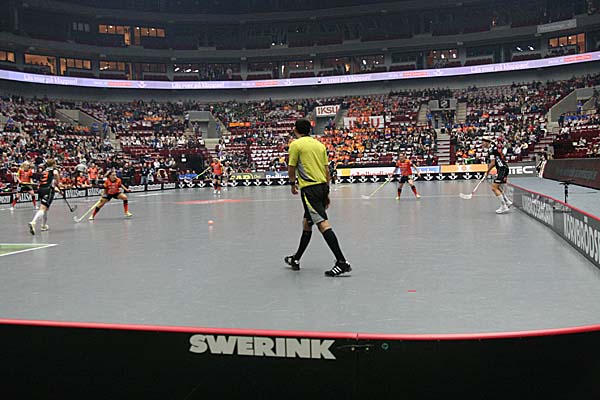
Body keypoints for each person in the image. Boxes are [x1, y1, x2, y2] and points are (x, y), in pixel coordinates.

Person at [285, 119, 351, 277]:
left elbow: (291, 167)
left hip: (310, 189)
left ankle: (342, 261)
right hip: (321, 187)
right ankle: (296, 258)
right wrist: (326, 192)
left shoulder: (296, 145)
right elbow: (326, 170)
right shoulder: (320, 145)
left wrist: (293, 184)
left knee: (322, 224)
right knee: (307, 223)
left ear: (295, 130)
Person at [28, 159, 61, 235]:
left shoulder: (44, 171)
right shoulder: (54, 171)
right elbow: (56, 179)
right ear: (53, 164)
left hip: (41, 190)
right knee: (43, 209)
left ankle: (43, 225)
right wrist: (58, 185)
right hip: (48, 190)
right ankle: (33, 222)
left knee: (45, 208)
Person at [482, 136, 512, 214]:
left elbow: (493, 162)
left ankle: (504, 207)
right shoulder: (494, 147)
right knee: (498, 187)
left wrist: (487, 172)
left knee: (494, 188)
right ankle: (507, 201)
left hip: (502, 169)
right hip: (503, 168)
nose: (482, 143)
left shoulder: (491, 150)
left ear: (487, 142)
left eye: (483, 142)